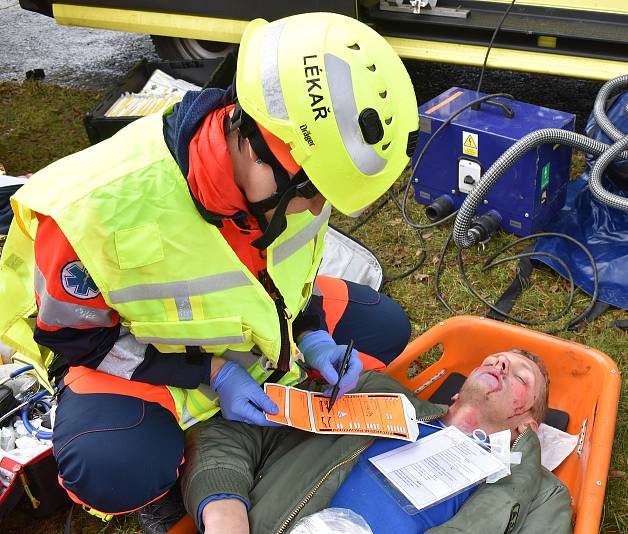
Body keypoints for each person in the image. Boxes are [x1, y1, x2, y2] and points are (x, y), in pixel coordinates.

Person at [0, 12, 419, 522]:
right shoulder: (90, 210)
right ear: (254, 139)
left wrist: (312, 338)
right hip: (133, 356)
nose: (314, 209)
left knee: (386, 327)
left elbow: (296, 278)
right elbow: (78, 340)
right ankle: (165, 468)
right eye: (308, 190)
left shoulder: (300, 176)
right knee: (113, 467)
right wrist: (213, 373)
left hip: (251, 327)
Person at [185, 349, 573, 534]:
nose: (501, 364)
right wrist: (223, 507)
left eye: (522, 378)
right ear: (455, 394)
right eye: (494, 359)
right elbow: (237, 428)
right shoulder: (375, 395)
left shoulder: (541, 491)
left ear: (527, 428)